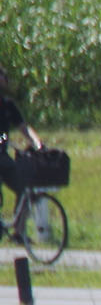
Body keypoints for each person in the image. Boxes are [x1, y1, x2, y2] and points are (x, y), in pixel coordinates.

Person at [0, 69, 40, 217]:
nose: (3, 77)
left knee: (24, 190)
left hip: (3, 158)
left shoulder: (8, 105)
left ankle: (18, 233)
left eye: (3, 75)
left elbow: (24, 127)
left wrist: (37, 143)